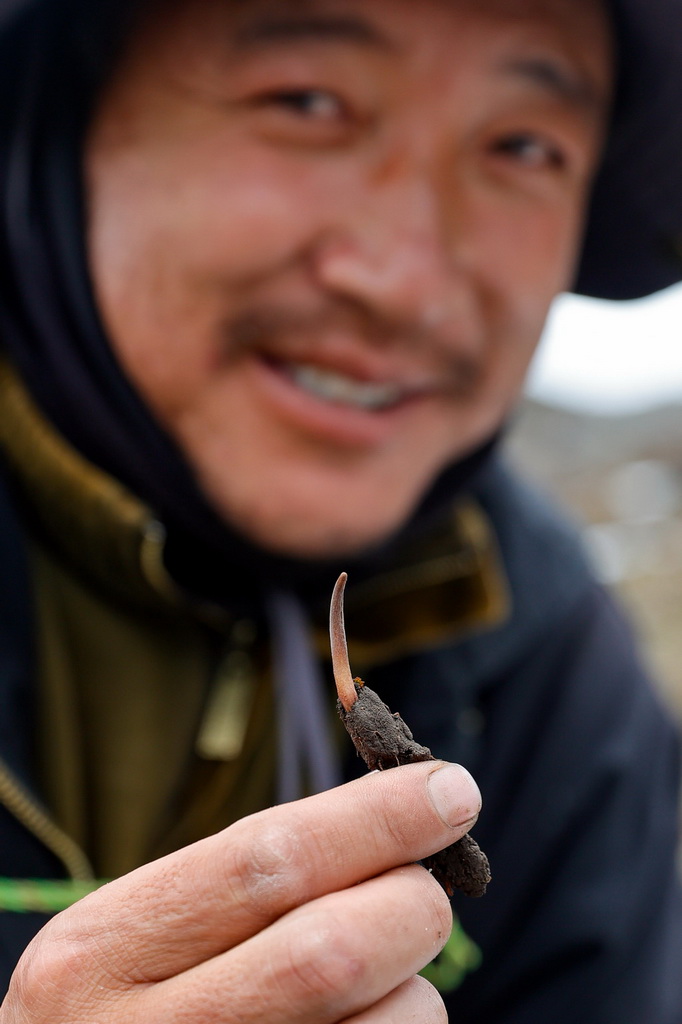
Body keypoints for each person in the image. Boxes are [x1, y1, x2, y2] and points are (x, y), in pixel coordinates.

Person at [0, 0, 681, 1020]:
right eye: (306, 100)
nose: (402, 281)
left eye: (523, 144)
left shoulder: (563, 692)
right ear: (63, 114)